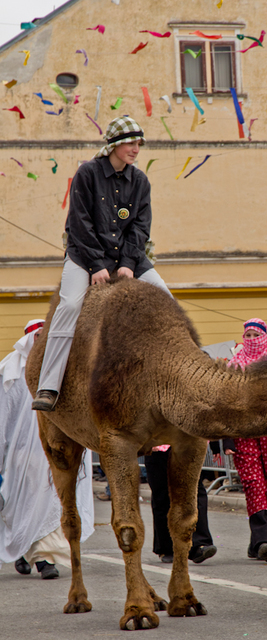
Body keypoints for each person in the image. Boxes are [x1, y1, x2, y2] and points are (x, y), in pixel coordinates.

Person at [32, 115, 171, 412]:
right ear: (115, 145)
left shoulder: (140, 181)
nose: (136, 149)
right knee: (68, 306)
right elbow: (79, 224)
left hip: (128, 257)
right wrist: (96, 265)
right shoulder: (87, 174)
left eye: (138, 144)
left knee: (166, 298)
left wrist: (130, 263)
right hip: (84, 255)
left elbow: (140, 228)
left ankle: (179, 374)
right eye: (131, 143)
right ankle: (49, 385)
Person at [0, 320, 94, 578]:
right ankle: (24, 549)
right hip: (22, 457)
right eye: (38, 336)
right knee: (26, 505)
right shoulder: (11, 372)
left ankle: (44, 558)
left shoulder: (63, 368)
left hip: (55, 450)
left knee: (53, 503)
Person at [226, 318, 267, 562]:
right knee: (252, 481)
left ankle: (260, 541)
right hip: (245, 429)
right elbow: (226, 403)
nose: (251, 340)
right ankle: (264, 540)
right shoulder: (234, 365)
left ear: (265, 336)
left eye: (255, 335)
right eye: (247, 336)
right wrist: (228, 439)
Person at [144, 446, 217, 564]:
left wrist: (215, 445)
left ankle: (199, 544)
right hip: (158, 444)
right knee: (163, 495)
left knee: (195, 492)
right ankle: (167, 548)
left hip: (186, 443)